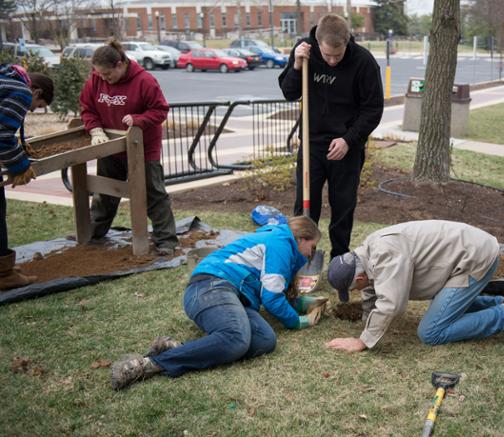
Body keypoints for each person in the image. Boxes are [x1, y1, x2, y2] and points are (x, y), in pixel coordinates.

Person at [111, 216, 328, 390]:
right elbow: (271, 299)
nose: (312, 253)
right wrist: (300, 322)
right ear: (300, 238)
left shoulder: (280, 242)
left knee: (265, 340)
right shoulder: (281, 244)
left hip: (231, 295)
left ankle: (178, 348)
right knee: (236, 339)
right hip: (210, 286)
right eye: (313, 246)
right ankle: (152, 363)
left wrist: (301, 303)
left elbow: (272, 289)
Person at [325, 220, 504, 352]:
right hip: (464, 254)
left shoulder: (385, 254)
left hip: (474, 258)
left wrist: (363, 341)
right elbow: (372, 290)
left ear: (360, 277)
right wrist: (367, 322)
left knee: (431, 331)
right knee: (439, 308)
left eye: (353, 288)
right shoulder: (366, 254)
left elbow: (392, 304)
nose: (356, 291)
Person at [278, 13, 383, 260]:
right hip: (312, 145)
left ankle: (340, 260)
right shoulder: (304, 50)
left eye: (338, 55)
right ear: (317, 42)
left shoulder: (364, 62)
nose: (333, 61)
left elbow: (373, 110)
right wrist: (296, 66)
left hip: (346, 148)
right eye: (327, 56)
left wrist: (349, 139)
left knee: (343, 208)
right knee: (305, 206)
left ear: (347, 42)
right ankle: (301, 258)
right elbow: (288, 92)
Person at [79, 39, 178, 256]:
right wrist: (95, 130)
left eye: (108, 74)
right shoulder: (95, 81)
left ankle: (166, 241)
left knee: (153, 193)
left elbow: (160, 110)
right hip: (110, 145)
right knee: (105, 191)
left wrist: (139, 119)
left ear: (120, 64)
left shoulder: (144, 81)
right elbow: (87, 108)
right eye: (100, 74)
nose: (104, 78)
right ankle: (95, 232)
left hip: (142, 147)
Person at [0, 64, 54, 290]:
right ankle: (4, 275)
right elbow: (2, 135)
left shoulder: (6, 79)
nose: (30, 111)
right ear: (36, 92)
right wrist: (20, 166)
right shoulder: (21, 92)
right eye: (37, 107)